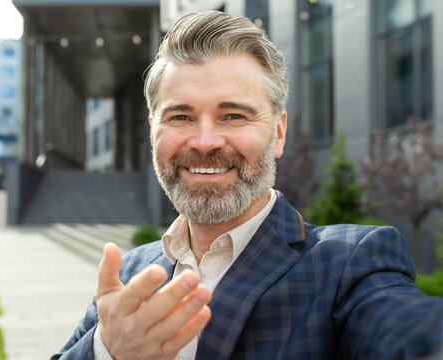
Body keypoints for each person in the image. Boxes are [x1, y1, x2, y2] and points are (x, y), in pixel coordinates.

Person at [51, 10, 443, 360]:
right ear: (154, 132)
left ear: (278, 133)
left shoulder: (349, 267)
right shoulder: (129, 277)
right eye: (181, 117)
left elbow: (412, 331)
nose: (205, 142)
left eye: (234, 116)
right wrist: (106, 350)